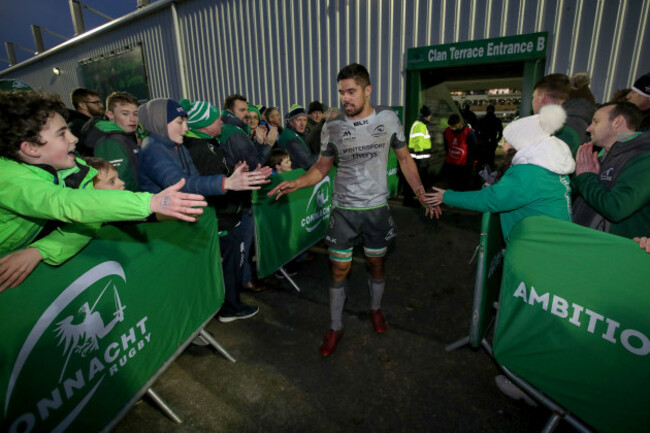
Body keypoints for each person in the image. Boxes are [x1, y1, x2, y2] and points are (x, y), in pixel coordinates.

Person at [268, 63, 440, 357]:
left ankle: (375, 309)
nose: (345, 98)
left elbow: (405, 159)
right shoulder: (332, 127)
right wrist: (296, 183)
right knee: (338, 269)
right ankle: (335, 326)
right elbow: (321, 168)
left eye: (351, 91)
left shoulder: (388, 120)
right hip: (343, 212)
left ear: (367, 90)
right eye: (341, 92)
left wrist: (420, 192)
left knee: (376, 265)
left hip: (376, 210)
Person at [0, 91, 207, 292]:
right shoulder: (8, 179)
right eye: (62, 134)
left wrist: (41, 250)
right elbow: (67, 204)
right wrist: (149, 203)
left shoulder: (74, 169)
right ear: (31, 148)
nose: (74, 139)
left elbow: (90, 219)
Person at [428, 105, 575, 241]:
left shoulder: (528, 173)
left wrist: (446, 196)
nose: (504, 146)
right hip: (552, 240)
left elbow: (490, 200)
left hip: (537, 249)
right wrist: (499, 188)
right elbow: (519, 194)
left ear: (522, 145)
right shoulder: (546, 166)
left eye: (508, 142)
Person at [572, 102, 649, 238]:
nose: (589, 128)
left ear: (617, 122)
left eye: (596, 121)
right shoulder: (604, 154)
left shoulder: (644, 158)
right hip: (586, 242)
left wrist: (585, 177)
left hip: (612, 250)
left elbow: (616, 208)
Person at [80, 91, 141, 191]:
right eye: (125, 114)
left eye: (135, 114)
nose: (132, 119)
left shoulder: (124, 136)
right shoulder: (110, 142)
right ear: (110, 114)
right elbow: (116, 184)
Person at [531, 73, 583, 156]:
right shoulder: (576, 119)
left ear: (542, 98)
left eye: (534, 97)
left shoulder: (560, 128)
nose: (532, 102)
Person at [277, 104, 319, 170]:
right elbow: (307, 163)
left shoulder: (299, 133)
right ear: (291, 122)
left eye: (305, 120)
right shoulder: (291, 138)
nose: (302, 124)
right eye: (299, 120)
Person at [443, 113, 477, 191]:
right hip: (451, 164)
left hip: (464, 165)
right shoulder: (447, 131)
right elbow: (446, 145)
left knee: (463, 186)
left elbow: (474, 148)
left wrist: (471, 161)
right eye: (450, 126)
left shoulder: (469, 133)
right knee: (452, 185)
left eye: (454, 126)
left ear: (459, 124)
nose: (452, 128)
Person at [68, 88, 104, 154]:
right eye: (96, 103)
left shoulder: (95, 123)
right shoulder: (77, 127)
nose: (101, 106)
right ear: (82, 105)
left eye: (100, 102)